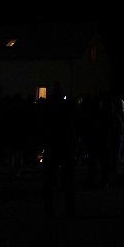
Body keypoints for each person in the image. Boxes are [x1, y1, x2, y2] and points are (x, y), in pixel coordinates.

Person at [42, 86, 78, 217]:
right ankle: (70, 208)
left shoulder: (48, 109)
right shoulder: (67, 108)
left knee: (50, 180)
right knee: (68, 179)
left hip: (53, 145)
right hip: (65, 146)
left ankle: (49, 208)